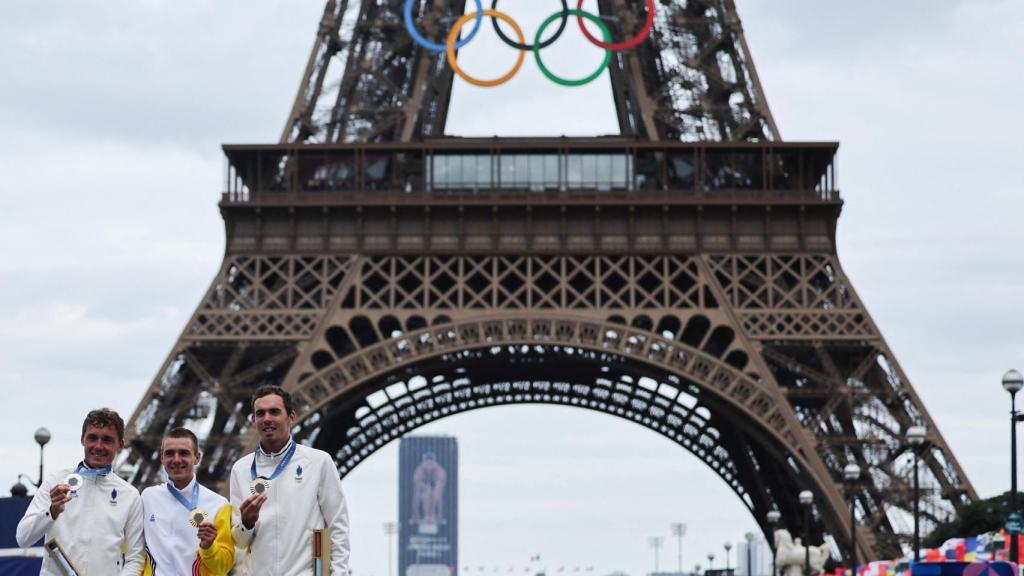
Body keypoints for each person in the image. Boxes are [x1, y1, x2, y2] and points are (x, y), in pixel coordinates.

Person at [230, 385, 351, 575]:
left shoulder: (318, 462)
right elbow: (239, 542)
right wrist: (246, 522)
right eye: (260, 414)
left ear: (291, 417)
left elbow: (338, 526)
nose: (267, 418)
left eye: (275, 412)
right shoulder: (240, 469)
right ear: (254, 420)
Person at [16, 408, 145, 575]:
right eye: (92, 438)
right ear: (82, 439)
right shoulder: (55, 481)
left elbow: (135, 557)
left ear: (120, 444)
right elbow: (23, 538)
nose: (98, 446)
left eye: (107, 440)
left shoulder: (130, 495)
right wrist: (51, 512)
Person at [141, 427, 233, 575]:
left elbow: (224, 567)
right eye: (169, 453)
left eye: (184, 453)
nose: (176, 459)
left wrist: (209, 547)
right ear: (162, 458)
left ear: (197, 457)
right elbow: (133, 550)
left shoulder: (219, 505)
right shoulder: (147, 497)